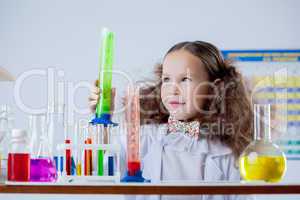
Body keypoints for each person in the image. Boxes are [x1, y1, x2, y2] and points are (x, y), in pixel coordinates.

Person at [89, 41, 254, 200]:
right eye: (166, 79)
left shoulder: (228, 155)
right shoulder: (141, 140)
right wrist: (102, 118)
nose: (172, 90)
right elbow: (99, 172)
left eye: (185, 79)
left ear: (214, 88)